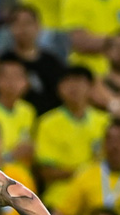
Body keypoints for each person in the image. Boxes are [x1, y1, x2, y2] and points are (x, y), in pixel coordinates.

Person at [34, 66, 110, 205]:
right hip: (60, 198)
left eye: (80, 82)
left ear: (91, 88)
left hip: (98, 195)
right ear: (59, 88)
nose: (74, 87)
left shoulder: (105, 122)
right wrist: (84, 172)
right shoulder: (47, 122)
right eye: (68, 82)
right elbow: (46, 172)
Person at [0, 4, 66, 116]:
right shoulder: (4, 61)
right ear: (10, 28)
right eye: (17, 24)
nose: (22, 29)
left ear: (38, 26)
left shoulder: (52, 62)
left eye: (27, 23)